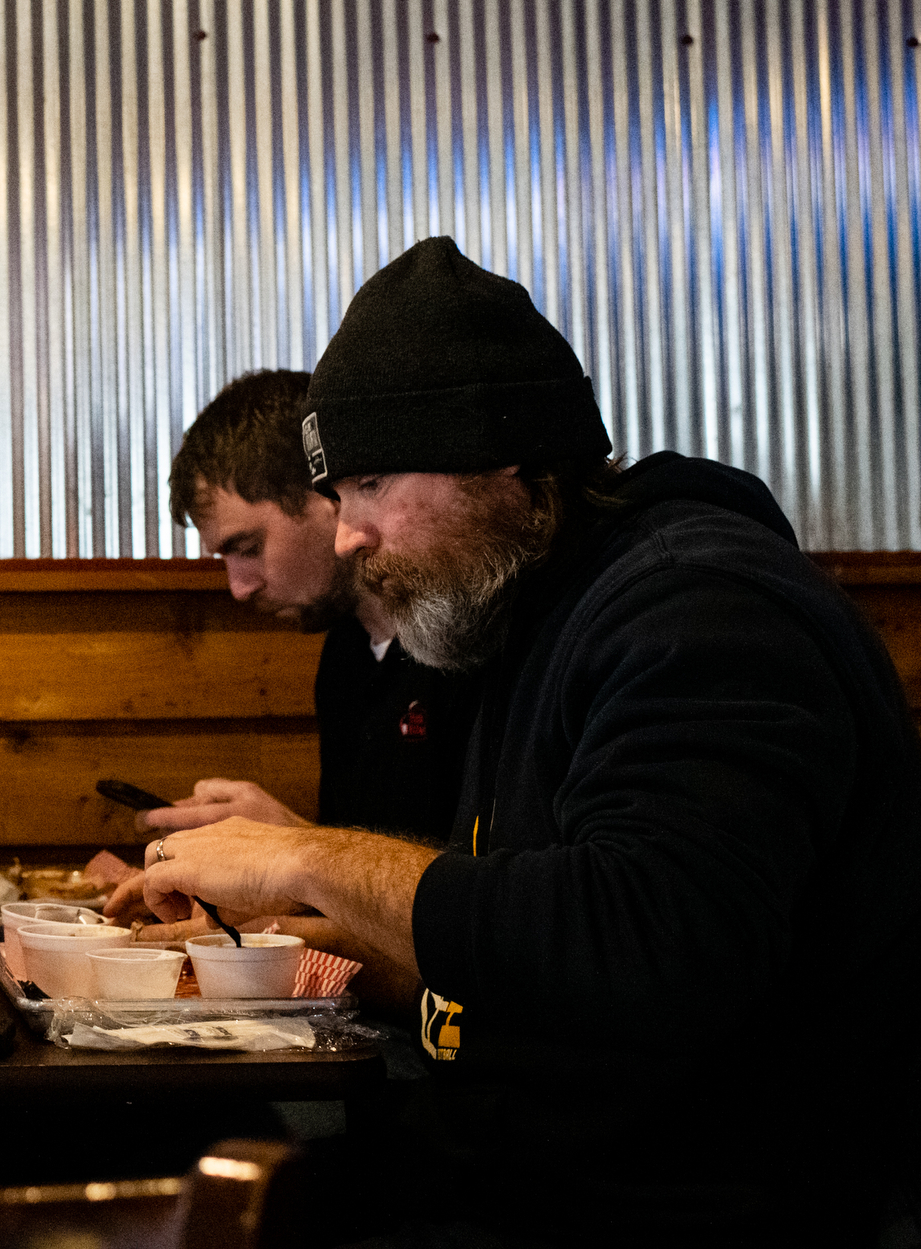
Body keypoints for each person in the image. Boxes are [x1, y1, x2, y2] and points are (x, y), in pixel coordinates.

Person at [119, 238, 921, 1245]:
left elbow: (647, 942)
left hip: (688, 1206)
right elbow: (523, 960)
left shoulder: (703, 607)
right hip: (529, 1167)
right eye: (336, 499)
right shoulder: (528, 616)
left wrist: (303, 856)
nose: (351, 535)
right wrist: (311, 945)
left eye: (368, 484)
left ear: (506, 456)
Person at [154, 369, 473, 845]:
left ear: (327, 496)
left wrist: (297, 848)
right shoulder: (345, 654)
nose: (238, 588)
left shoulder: (465, 642)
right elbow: (357, 905)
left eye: (248, 547)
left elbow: (485, 898)